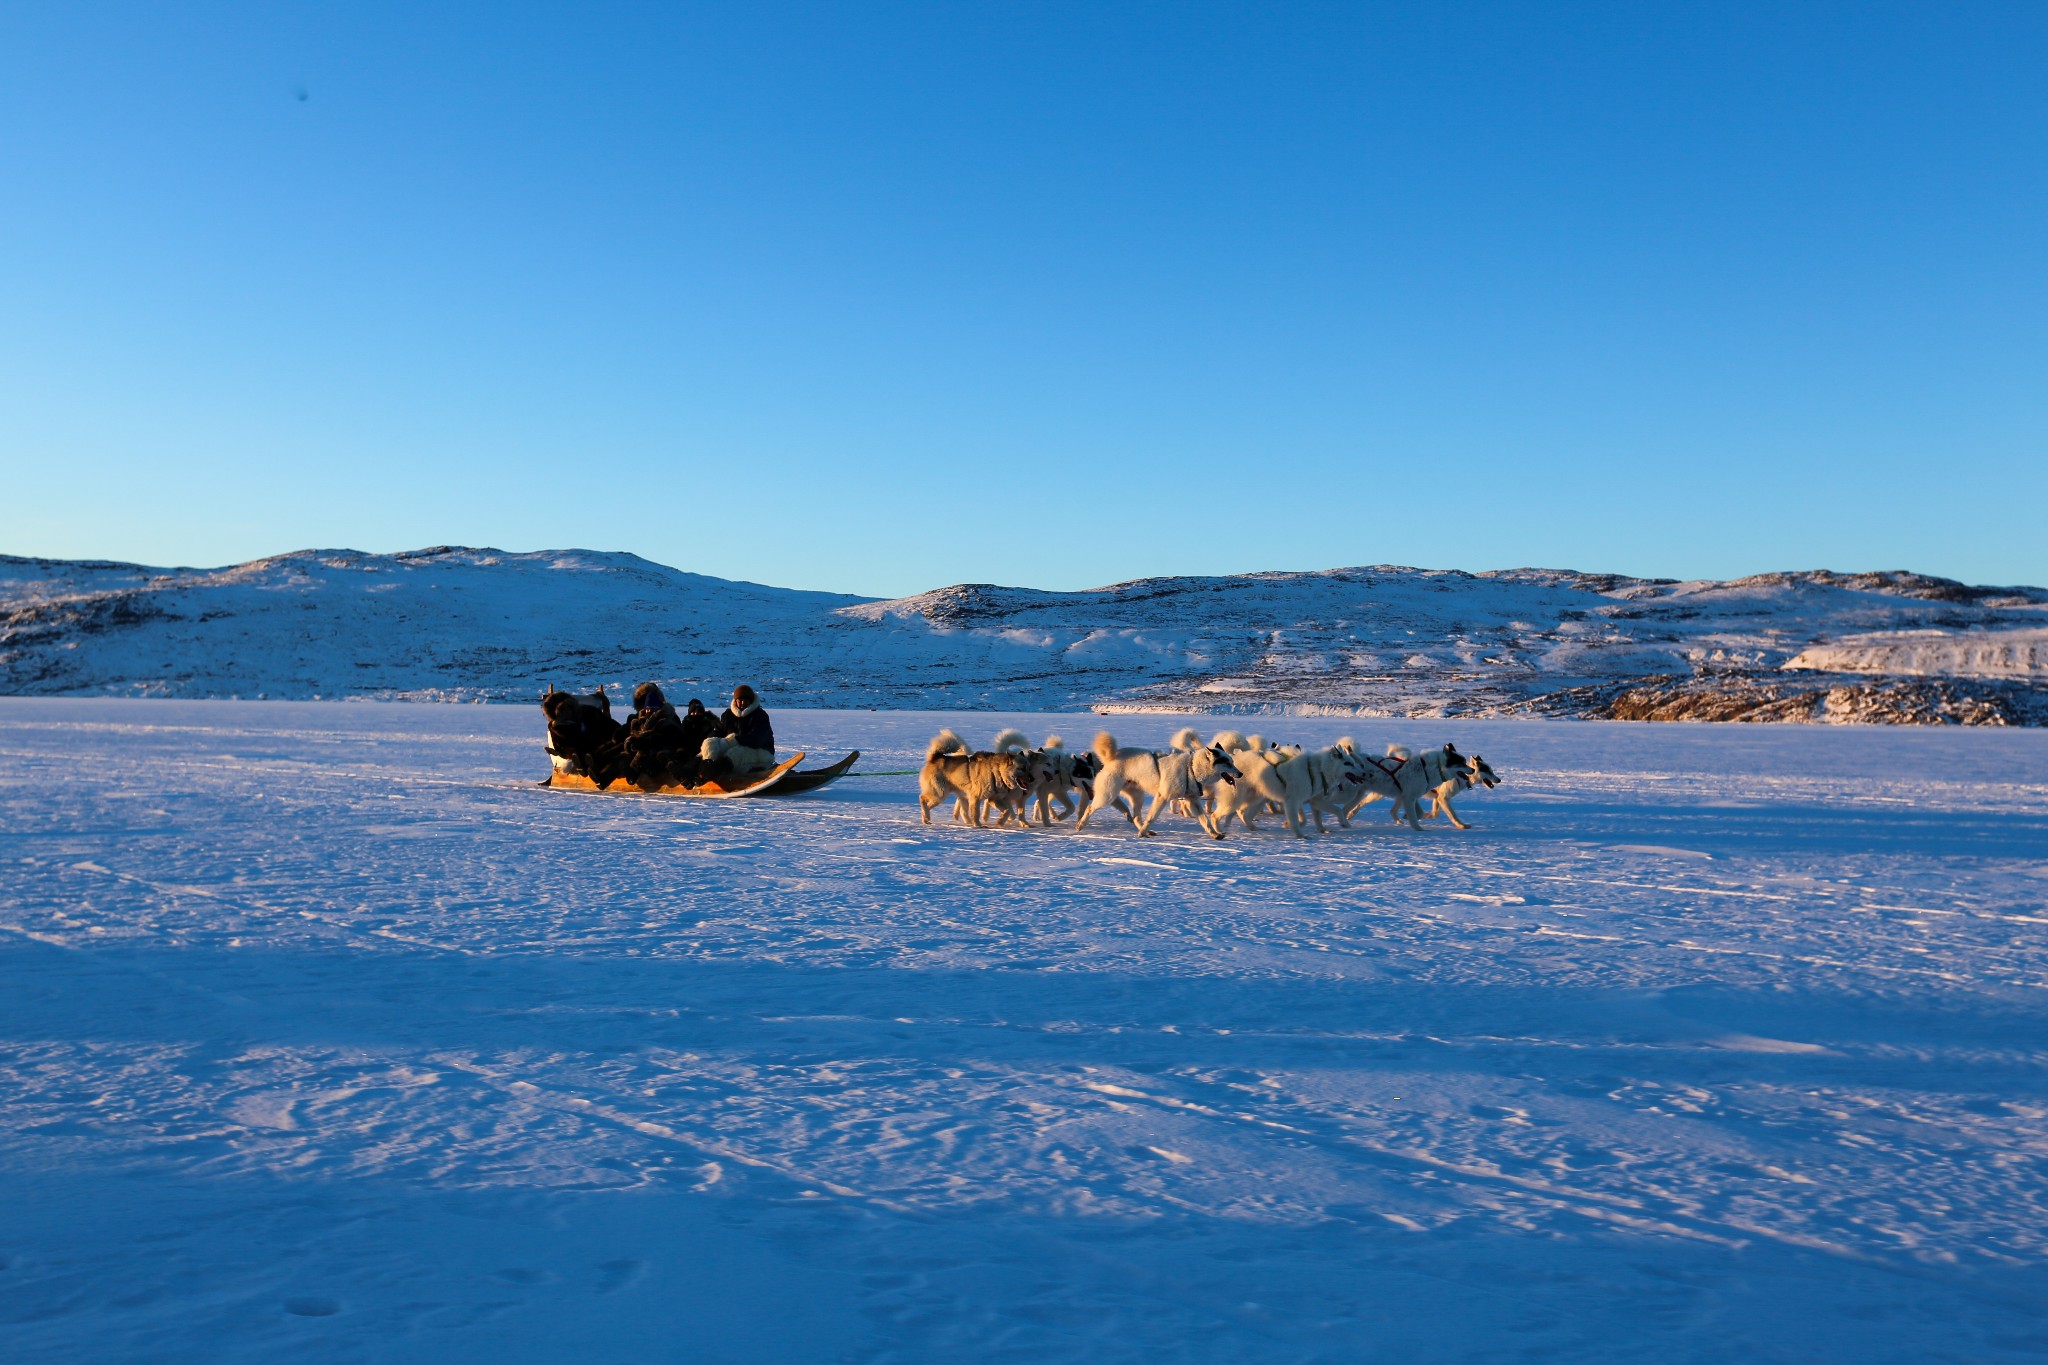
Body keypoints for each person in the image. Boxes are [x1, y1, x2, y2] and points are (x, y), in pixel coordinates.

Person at [704, 683, 776, 774]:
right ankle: (705, 768)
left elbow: (757, 740)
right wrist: (713, 739)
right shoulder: (728, 715)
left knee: (736, 753)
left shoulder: (760, 716)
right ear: (735, 701)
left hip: (762, 751)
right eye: (740, 700)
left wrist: (735, 740)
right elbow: (719, 731)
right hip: (735, 748)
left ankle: (718, 770)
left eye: (745, 700)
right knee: (710, 744)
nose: (742, 703)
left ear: (750, 701)